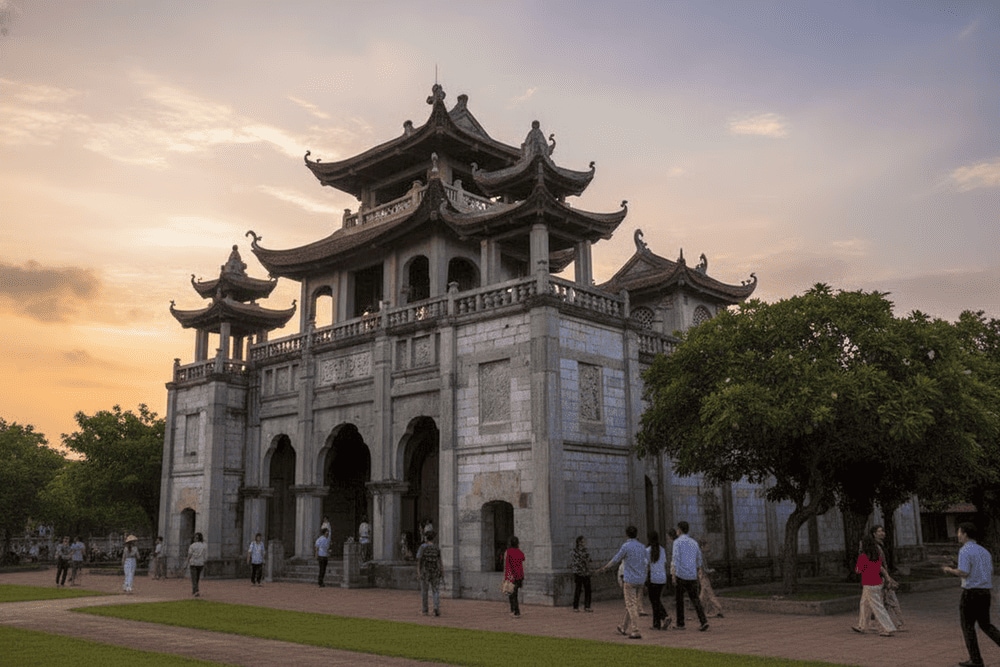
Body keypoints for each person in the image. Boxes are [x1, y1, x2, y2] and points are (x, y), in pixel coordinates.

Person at [942, 522, 1000, 667]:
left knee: (968, 626)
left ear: (965, 534)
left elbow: (964, 572)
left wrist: (949, 569)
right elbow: (989, 571)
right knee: (986, 625)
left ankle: (976, 659)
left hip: (971, 593)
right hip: (985, 591)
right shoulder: (984, 551)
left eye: (959, 532)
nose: (958, 535)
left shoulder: (965, 550)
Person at [597, 525, 648, 639]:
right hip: (640, 579)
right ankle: (623, 627)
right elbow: (645, 563)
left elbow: (616, 559)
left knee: (631, 605)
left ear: (626, 534)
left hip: (630, 579)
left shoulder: (626, 546)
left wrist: (605, 567)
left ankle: (635, 630)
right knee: (632, 603)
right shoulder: (642, 547)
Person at [852, 533, 895, 636]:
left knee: (877, 606)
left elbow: (858, 570)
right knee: (864, 604)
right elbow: (881, 568)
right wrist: (888, 578)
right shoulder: (876, 556)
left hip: (869, 583)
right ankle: (862, 626)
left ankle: (887, 628)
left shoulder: (863, 557)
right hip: (877, 582)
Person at [671, 521, 709, 631]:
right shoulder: (694, 542)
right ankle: (703, 620)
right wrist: (696, 570)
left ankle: (680, 623)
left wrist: (674, 574)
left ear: (680, 530)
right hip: (692, 575)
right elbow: (699, 559)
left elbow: (675, 559)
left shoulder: (677, 542)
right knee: (695, 599)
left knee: (679, 599)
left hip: (681, 574)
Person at [869, 525, 902, 629]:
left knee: (887, 599)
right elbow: (877, 564)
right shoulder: (874, 547)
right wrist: (886, 576)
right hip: (880, 576)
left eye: (883, 531)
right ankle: (895, 622)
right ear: (874, 534)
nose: (882, 533)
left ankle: (897, 622)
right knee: (882, 600)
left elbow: (885, 562)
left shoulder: (883, 545)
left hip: (885, 575)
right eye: (879, 531)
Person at [647, 531, 670, 630]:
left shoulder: (647, 551)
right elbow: (664, 563)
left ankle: (663, 617)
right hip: (662, 577)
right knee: (656, 600)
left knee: (654, 601)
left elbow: (646, 565)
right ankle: (657, 623)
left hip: (653, 578)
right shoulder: (662, 550)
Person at [416, 530, 443, 616]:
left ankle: (425, 610)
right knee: (435, 590)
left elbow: (419, 560)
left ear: (426, 538)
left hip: (425, 571)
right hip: (435, 571)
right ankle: (436, 607)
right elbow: (440, 561)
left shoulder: (423, 547)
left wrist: (418, 571)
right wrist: (442, 571)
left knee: (424, 591)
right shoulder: (436, 548)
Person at [698, 540, 724, 618]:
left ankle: (701, 609)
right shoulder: (701, 556)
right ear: (702, 547)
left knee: (703, 595)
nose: (708, 548)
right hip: (704, 577)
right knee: (709, 594)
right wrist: (711, 570)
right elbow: (704, 569)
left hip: (702, 577)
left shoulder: (701, 555)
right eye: (706, 546)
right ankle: (719, 609)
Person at [503, 535, 525, 618]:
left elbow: (506, 565)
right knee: (514, 594)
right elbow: (523, 559)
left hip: (511, 575)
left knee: (512, 594)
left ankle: (516, 611)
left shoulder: (508, 552)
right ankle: (513, 610)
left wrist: (506, 576)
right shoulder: (519, 552)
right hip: (519, 575)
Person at [570, 535, 593, 612]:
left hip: (586, 573)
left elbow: (589, 559)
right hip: (579, 572)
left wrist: (588, 568)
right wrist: (584, 564)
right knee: (578, 589)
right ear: (579, 542)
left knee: (588, 590)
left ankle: (587, 606)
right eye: (583, 541)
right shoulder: (575, 551)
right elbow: (576, 562)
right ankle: (575, 607)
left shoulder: (585, 551)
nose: (584, 543)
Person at [185, 532, 207, 597]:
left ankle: (196, 591)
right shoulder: (204, 545)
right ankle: (195, 590)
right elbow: (204, 555)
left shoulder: (192, 545)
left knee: (194, 578)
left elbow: (189, 555)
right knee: (197, 578)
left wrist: (186, 562)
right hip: (200, 563)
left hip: (193, 563)